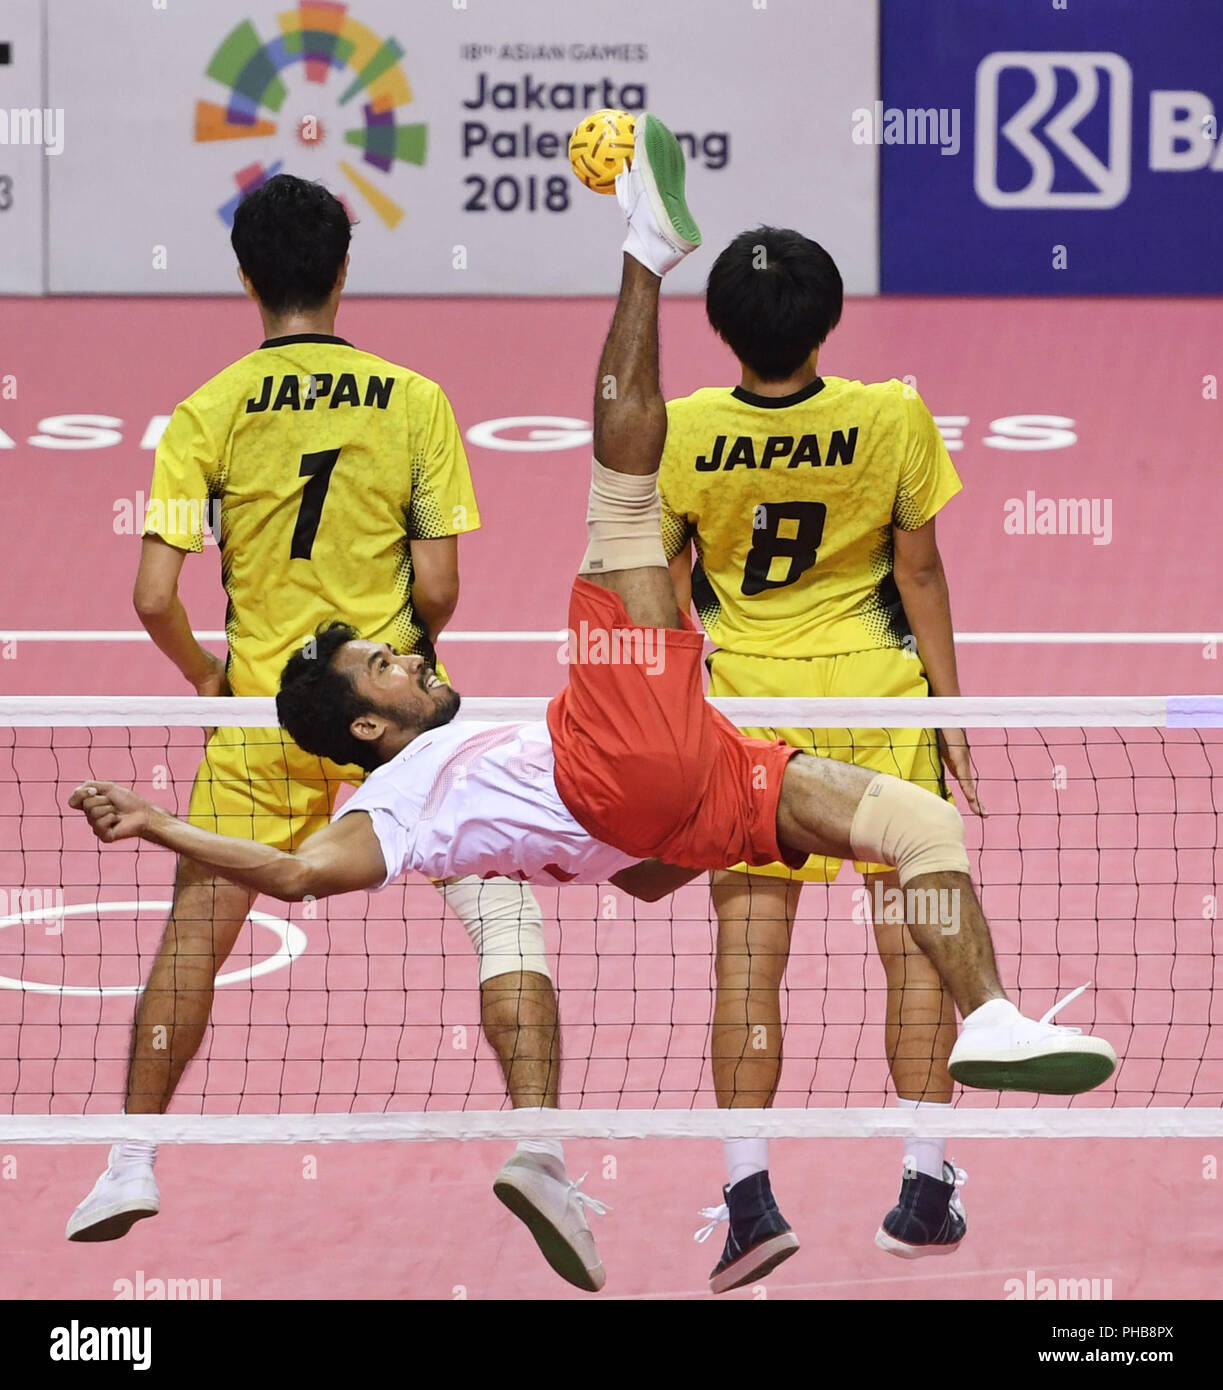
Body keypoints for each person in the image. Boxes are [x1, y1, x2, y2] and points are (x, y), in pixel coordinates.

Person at [71, 116, 1117, 1295]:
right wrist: (154, 819)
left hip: (675, 797)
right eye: (382, 667)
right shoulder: (409, 783)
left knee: (905, 838)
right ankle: (643, 250)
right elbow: (324, 830)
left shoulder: (414, 788)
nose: (404, 659)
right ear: (369, 727)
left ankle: (972, 1035)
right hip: (636, 748)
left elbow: (628, 868)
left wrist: (204, 732)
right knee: (616, 492)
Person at [66, 173, 594, 1293]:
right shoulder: (412, 398)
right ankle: (540, 1144)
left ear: (245, 277)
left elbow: (152, 594)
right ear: (345, 270)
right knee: (503, 918)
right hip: (401, 728)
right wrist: (403, 661)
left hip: (262, 721)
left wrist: (211, 678)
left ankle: (127, 1161)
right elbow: (440, 586)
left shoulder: (206, 411)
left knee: (191, 941)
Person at [659, 225, 979, 1285]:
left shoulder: (684, 430)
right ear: (828, 319)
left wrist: (672, 722)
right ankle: (922, 1191)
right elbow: (920, 574)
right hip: (881, 706)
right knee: (915, 944)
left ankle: (750, 1200)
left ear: (720, 327)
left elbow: (659, 590)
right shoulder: (890, 414)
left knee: (748, 957)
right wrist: (950, 709)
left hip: (754, 720)